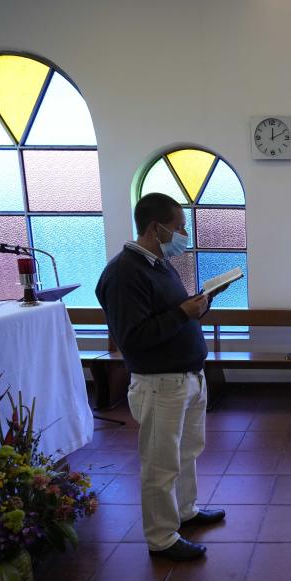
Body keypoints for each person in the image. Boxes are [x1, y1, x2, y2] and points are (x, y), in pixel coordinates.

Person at [95, 192, 227, 561]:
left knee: (186, 452)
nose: (184, 235)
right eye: (179, 227)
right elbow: (133, 338)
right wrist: (184, 314)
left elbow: (169, 314)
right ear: (156, 228)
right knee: (159, 462)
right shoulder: (124, 273)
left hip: (187, 376)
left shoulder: (158, 265)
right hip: (160, 383)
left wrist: (200, 304)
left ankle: (185, 511)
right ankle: (161, 538)